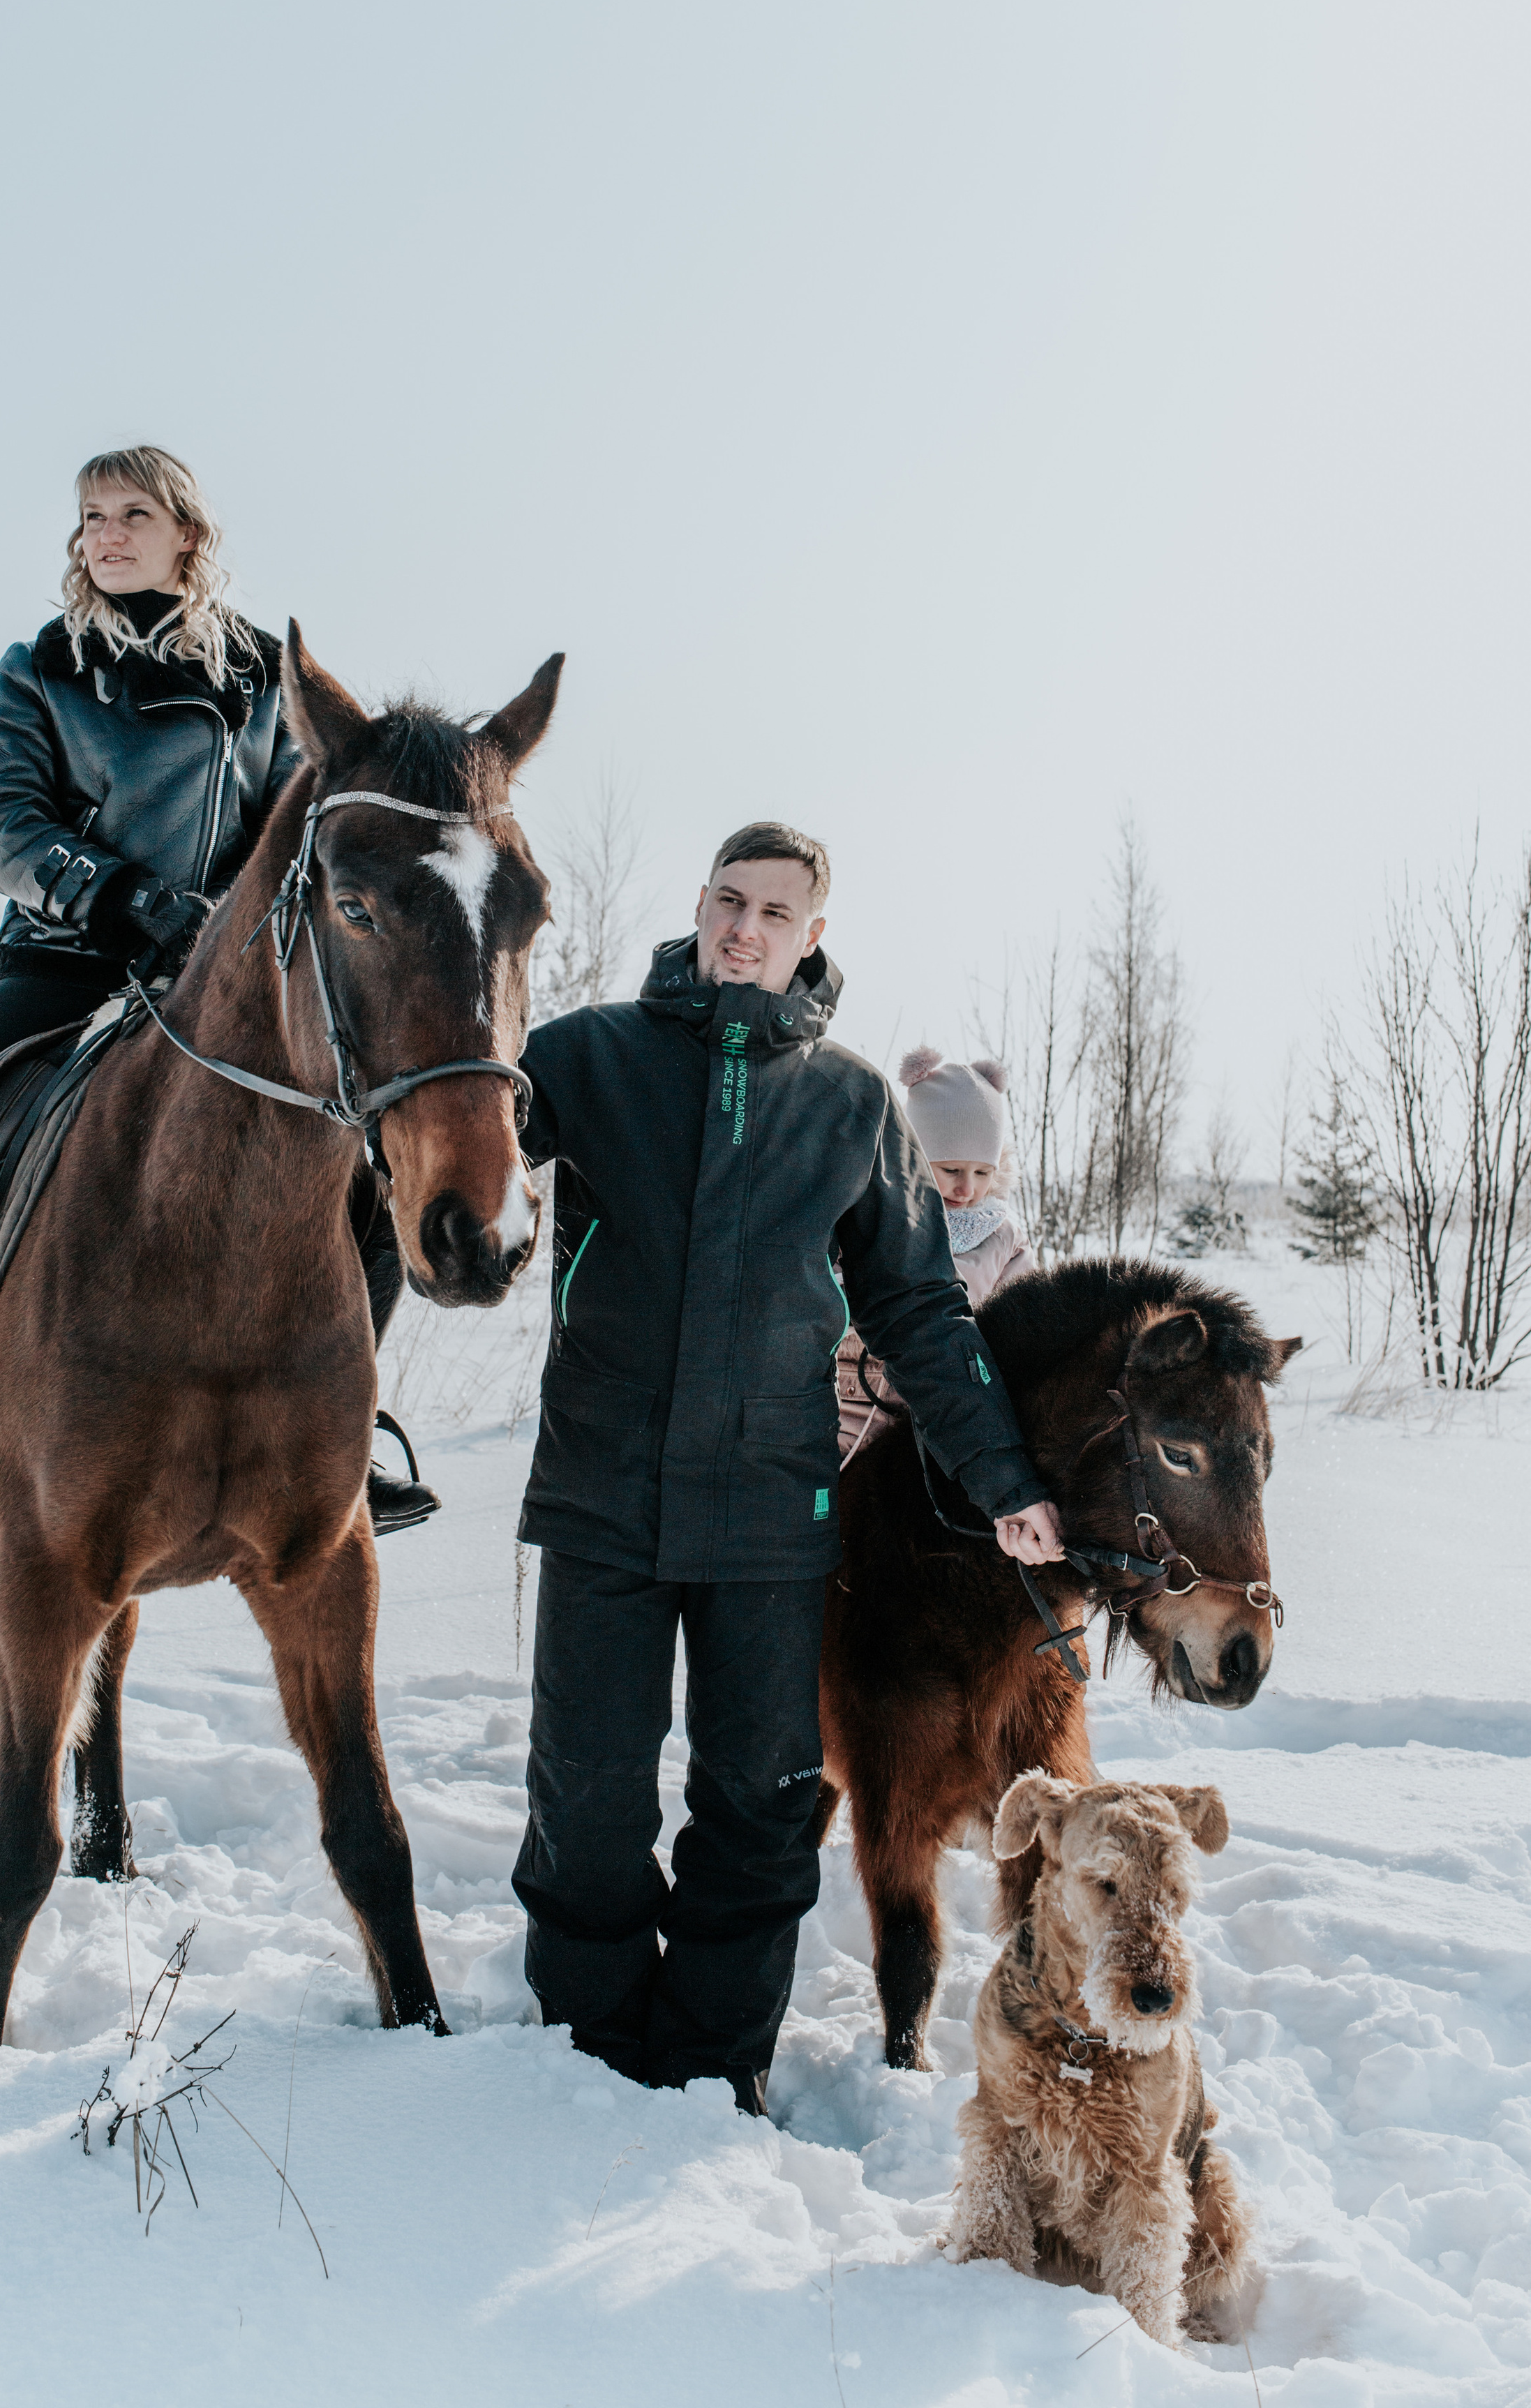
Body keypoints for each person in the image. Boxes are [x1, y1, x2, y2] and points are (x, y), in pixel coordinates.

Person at [509, 823, 1065, 2116]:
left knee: (758, 1809)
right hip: (603, 1494)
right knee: (585, 1802)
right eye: (728, 900)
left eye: (775, 911)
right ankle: (589, 2054)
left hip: (770, 1510)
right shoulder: (588, 1059)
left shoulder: (852, 1105)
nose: (745, 928)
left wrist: (1006, 1483)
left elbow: (924, 1314)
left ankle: (713, 2065)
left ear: (814, 937)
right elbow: (438, 1159)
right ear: (698, 906)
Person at [0, 444, 434, 1527]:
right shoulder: (39, 668)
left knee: (368, 1173)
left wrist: (222, 927)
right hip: (64, 961)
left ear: (188, 533)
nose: (106, 533)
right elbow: (2, 826)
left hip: (221, 982)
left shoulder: (263, 674)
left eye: (132, 512)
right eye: (91, 516)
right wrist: (121, 898)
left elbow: (293, 831)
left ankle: (346, 1424)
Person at [836, 1050, 1036, 1463]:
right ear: (914, 1160)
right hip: (853, 1393)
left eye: (982, 1173)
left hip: (946, 1402)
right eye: (951, 1170)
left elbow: (1022, 1325)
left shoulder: (1003, 1237)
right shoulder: (868, 1215)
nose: (968, 1188)